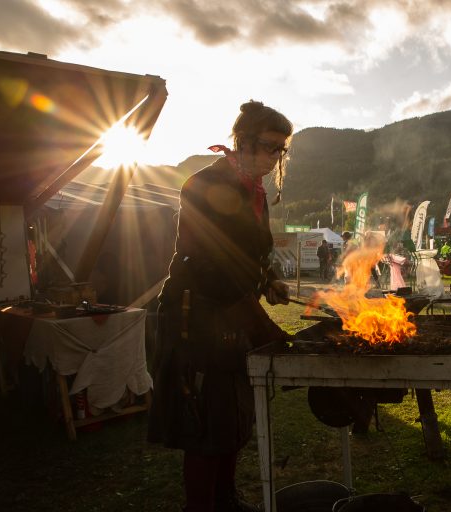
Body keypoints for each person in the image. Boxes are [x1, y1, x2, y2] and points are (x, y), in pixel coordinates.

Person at [148, 100, 293, 512]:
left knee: (232, 418)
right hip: (195, 314)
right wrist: (262, 323)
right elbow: (212, 264)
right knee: (205, 423)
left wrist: (270, 282)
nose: (274, 157)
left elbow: (252, 255)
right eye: (268, 146)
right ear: (242, 140)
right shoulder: (202, 185)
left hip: (231, 313)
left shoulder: (258, 194)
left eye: (280, 150)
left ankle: (225, 499)